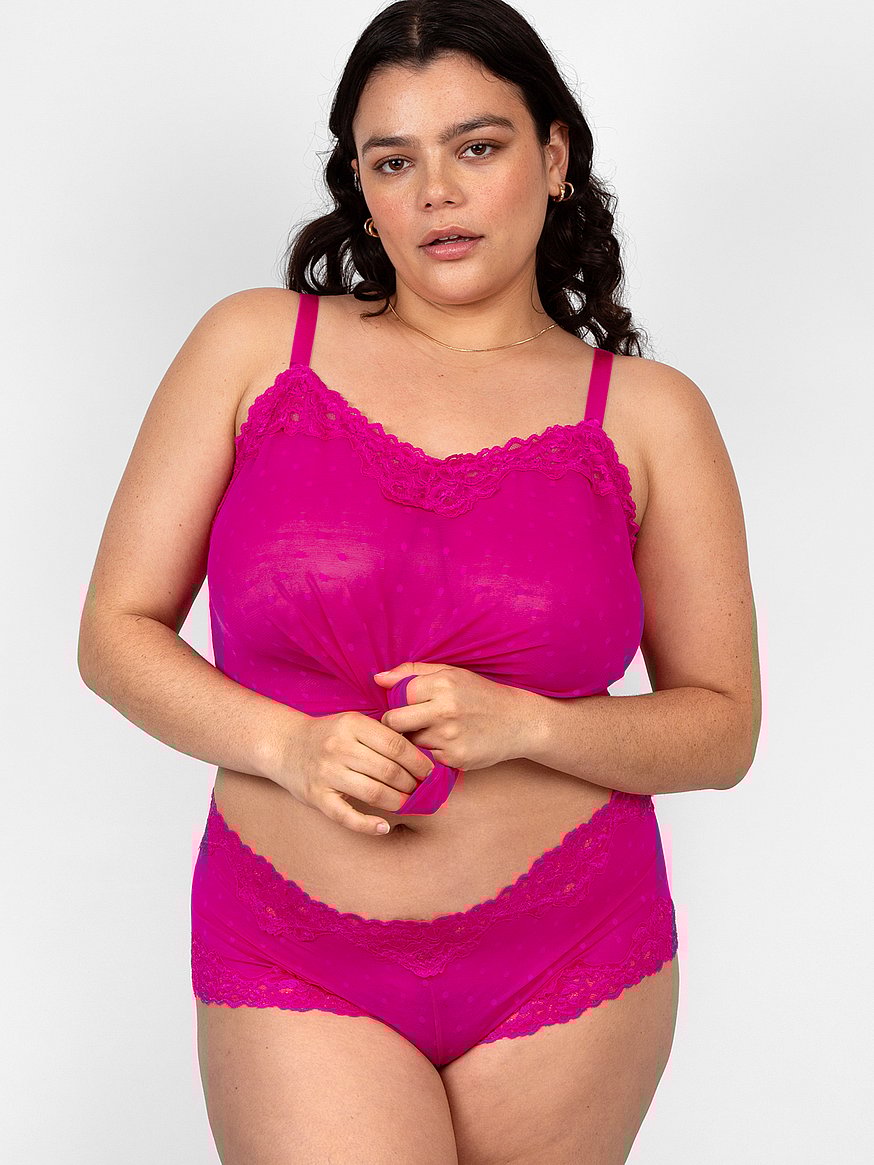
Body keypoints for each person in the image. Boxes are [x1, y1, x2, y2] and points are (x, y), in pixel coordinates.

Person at [77, 1, 761, 1161]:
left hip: (570, 957)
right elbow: (115, 632)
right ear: (361, 184)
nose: (436, 193)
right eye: (393, 161)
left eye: (476, 147)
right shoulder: (254, 347)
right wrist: (287, 746)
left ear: (554, 157)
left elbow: (721, 729)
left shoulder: (651, 416)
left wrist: (532, 725)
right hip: (293, 947)